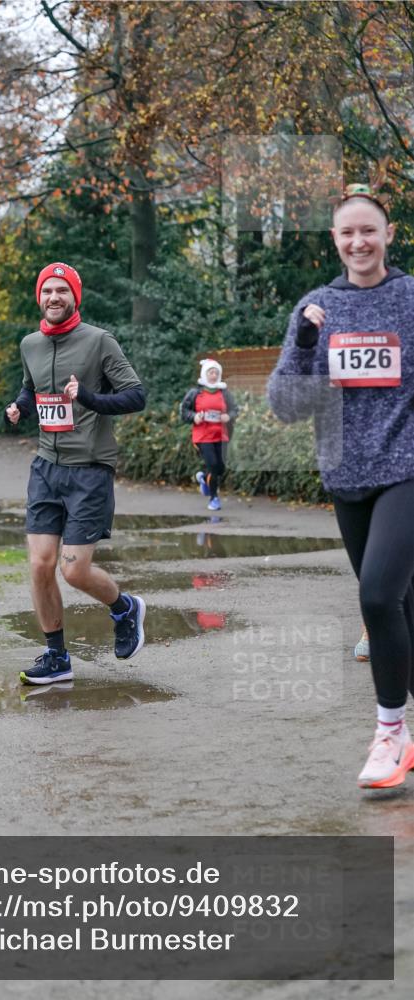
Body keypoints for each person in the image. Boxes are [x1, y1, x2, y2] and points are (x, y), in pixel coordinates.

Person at [268, 184, 414, 789]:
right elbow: (285, 405)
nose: (359, 242)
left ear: (388, 235)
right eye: (347, 233)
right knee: (401, 607)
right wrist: (306, 346)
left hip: (407, 470)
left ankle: (389, 733)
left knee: (376, 598)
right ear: (334, 240)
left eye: (368, 231)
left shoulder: (410, 300)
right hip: (345, 476)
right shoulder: (316, 308)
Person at [5, 262, 147, 685]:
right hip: (46, 467)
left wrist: (87, 397)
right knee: (40, 565)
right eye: (47, 290)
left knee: (74, 570)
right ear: (39, 296)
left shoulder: (99, 341)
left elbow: (135, 395)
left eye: (62, 291)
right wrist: (19, 407)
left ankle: (124, 608)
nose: (54, 297)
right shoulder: (30, 344)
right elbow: (31, 388)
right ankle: (56, 656)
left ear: (74, 297)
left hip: (89, 470)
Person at [180, 359, 238, 511]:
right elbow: (184, 411)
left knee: (221, 468)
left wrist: (228, 416)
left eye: (216, 373)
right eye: (211, 372)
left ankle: (203, 478)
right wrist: (194, 416)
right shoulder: (195, 393)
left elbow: (234, 409)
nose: (214, 375)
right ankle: (214, 498)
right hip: (203, 436)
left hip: (221, 435)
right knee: (213, 466)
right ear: (204, 374)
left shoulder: (224, 393)